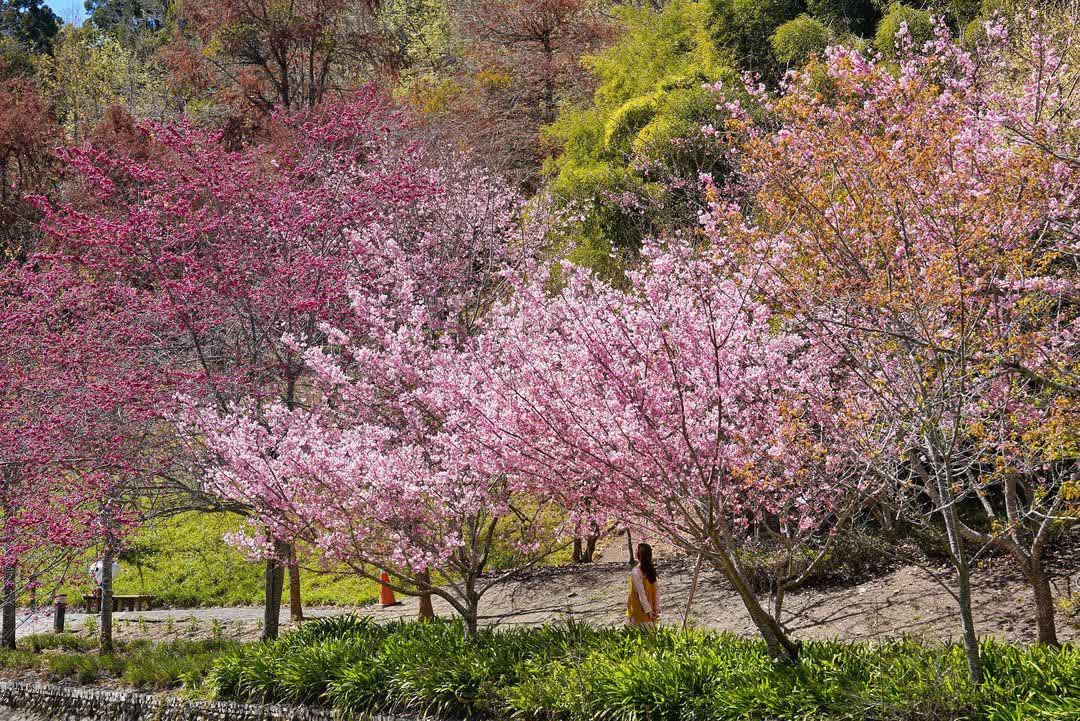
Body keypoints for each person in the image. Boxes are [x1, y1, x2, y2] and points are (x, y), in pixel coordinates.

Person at [626, 542, 659, 627]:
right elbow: (656, 592)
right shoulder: (651, 570)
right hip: (651, 607)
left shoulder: (636, 571)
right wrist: (656, 609)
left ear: (637, 555)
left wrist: (648, 611)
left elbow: (641, 594)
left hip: (639, 609)